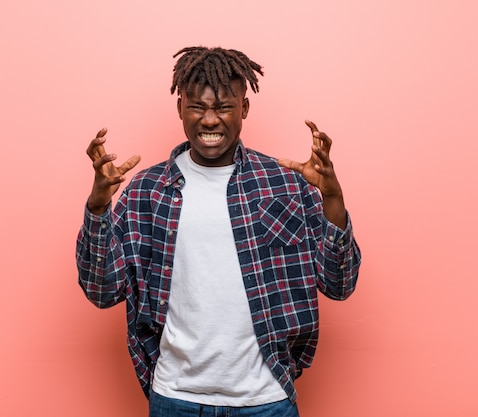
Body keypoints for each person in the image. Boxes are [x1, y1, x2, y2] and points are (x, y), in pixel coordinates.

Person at [76, 46, 361, 417]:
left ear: (243, 109)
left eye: (223, 107)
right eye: (197, 107)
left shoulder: (286, 185)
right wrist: (98, 208)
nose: (210, 120)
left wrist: (333, 200)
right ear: (180, 108)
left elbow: (340, 285)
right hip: (174, 398)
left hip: (266, 401)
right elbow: (102, 292)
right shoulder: (147, 191)